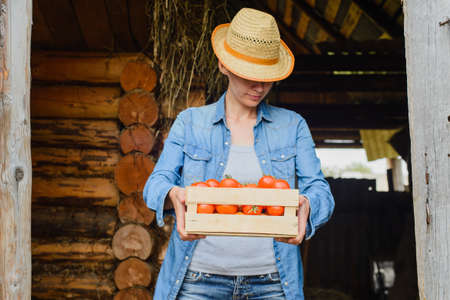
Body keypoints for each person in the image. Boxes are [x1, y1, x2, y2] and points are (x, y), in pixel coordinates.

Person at [144, 7, 334, 300]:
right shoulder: (190, 123)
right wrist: (172, 195)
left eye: (267, 77)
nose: (259, 86)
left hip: (272, 283)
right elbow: (155, 185)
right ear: (223, 65)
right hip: (197, 280)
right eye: (249, 75)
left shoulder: (293, 126)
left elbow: (320, 190)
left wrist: (307, 206)